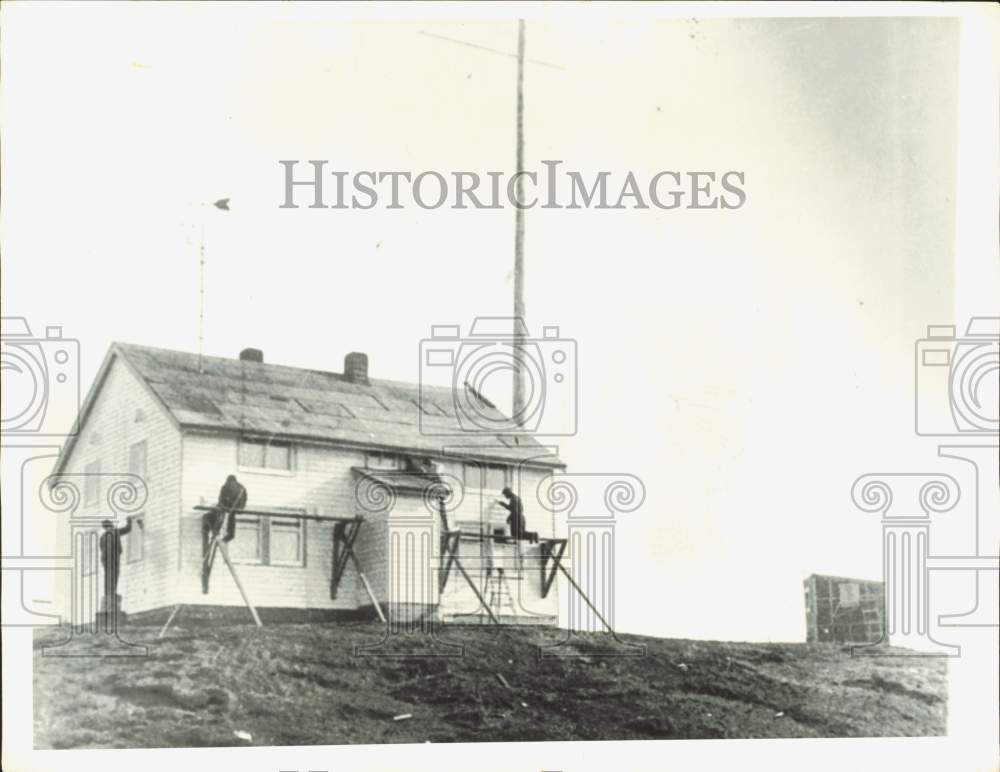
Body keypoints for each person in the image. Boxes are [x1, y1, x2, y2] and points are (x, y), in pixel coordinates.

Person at [99, 516, 133, 605]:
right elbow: (127, 529)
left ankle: (107, 594)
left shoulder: (102, 537)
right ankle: (112, 593)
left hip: (105, 559)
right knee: (114, 575)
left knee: (108, 576)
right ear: (110, 525)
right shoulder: (114, 532)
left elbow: (101, 548)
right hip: (113, 558)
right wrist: (130, 520)